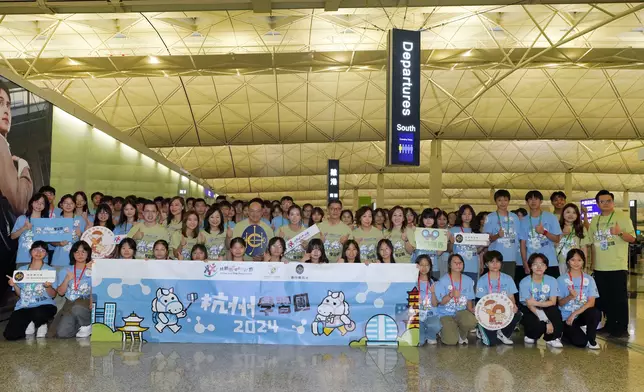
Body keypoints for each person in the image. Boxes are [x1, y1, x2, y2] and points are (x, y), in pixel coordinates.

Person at [587, 190, 634, 339]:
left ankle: (622, 328)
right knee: (605, 299)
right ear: (598, 204)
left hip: (617, 265)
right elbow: (591, 243)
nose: (605, 204)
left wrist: (620, 233)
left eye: (608, 201)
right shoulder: (595, 221)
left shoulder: (622, 217)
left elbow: (632, 238)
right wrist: (591, 264)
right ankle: (609, 325)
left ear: (613, 202)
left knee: (619, 299)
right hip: (600, 266)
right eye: (602, 201)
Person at [3, 241, 57, 340]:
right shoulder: (21, 270)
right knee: (10, 335)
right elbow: (20, 294)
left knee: (39, 313)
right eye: (35, 249)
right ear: (30, 252)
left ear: (46, 254)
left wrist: (48, 286)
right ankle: (30, 321)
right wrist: (14, 285)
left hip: (44, 305)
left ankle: (41, 323)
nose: (38, 252)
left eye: (42, 250)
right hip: (25, 305)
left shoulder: (50, 271)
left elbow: (53, 295)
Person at [475, 250, 521, 346]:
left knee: (517, 313)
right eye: (492, 262)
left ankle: (502, 333)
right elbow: (480, 302)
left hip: (501, 311)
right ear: (487, 264)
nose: (495, 264)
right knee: (491, 343)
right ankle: (481, 328)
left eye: (497, 262)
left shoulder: (507, 279)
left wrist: (514, 305)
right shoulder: (482, 280)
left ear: (501, 263)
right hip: (488, 313)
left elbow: (511, 296)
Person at [557, 249, 601, 349]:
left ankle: (591, 340)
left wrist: (575, 313)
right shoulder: (561, 279)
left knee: (595, 312)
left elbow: (591, 302)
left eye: (579, 260)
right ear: (568, 261)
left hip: (580, 315)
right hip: (566, 318)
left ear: (583, 262)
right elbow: (560, 303)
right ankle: (566, 333)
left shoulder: (589, 279)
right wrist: (570, 297)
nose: (576, 263)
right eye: (573, 260)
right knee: (580, 342)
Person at [519, 253, 564, 348]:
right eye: (535, 264)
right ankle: (531, 335)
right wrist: (547, 321)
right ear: (530, 266)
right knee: (536, 323)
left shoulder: (552, 280)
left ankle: (552, 338)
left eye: (542, 264)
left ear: (546, 267)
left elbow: (553, 302)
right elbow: (530, 305)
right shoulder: (524, 282)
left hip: (545, 305)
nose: (539, 267)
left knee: (554, 311)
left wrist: (536, 303)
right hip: (530, 309)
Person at [434, 254, 477, 345]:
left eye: (460, 262)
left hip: (460, 311)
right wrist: (450, 295)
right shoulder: (442, 281)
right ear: (450, 265)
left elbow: (469, 299)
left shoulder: (468, 280)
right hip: (445, 313)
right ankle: (444, 330)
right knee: (451, 341)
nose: (458, 264)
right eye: (455, 262)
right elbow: (440, 302)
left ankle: (462, 335)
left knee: (471, 321)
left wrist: (471, 310)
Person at [519, 191, 562, 281]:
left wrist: (544, 232)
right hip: (532, 263)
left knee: (552, 290)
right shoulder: (523, 221)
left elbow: (557, 239)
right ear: (527, 202)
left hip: (550, 262)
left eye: (536, 199)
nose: (533, 201)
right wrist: (525, 263)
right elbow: (523, 244)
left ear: (541, 201)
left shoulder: (551, 217)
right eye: (530, 199)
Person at [54, 240, 93, 338]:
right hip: (69, 304)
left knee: (78, 308)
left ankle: (87, 324)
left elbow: (96, 288)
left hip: (86, 301)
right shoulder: (66, 270)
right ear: (73, 254)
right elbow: (61, 292)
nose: (80, 254)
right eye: (77, 252)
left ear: (88, 254)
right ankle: (81, 325)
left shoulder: (93, 269)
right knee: (62, 333)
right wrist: (67, 279)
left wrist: (92, 302)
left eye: (83, 251)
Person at [484, 190, 521, 279]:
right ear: (495, 201)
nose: (502, 203)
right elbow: (486, 239)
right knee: (494, 283)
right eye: (499, 200)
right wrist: (497, 235)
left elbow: (519, 237)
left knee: (508, 283)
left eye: (505, 200)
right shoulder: (490, 217)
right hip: (495, 258)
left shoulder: (515, 217)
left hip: (511, 256)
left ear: (508, 201)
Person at [10, 192, 49, 263]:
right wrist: (24, 228)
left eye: (42, 203)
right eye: (37, 202)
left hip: (42, 259)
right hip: (23, 258)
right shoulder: (22, 218)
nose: (39, 205)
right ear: (31, 203)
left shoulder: (47, 222)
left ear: (45, 206)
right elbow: (12, 236)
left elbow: (51, 239)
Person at [51, 194, 86, 267]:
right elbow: (51, 241)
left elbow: (86, 241)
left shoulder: (81, 220)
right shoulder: (56, 221)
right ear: (61, 205)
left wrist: (80, 235)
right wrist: (59, 243)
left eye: (71, 203)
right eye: (66, 203)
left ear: (75, 205)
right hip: (59, 260)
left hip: (77, 260)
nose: (68, 205)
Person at [449, 204, 480, 280]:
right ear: (460, 215)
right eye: (464, 214)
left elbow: (476, 250)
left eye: (469, 214)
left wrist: (484, 245)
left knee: (471, 290)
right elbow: (449, 250)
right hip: (457, 267)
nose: (467, 216)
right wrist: (452, 242)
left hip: (473, 266)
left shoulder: (476, 231)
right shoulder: (453, 230)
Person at [556, 203, 589, 275]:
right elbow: (554, 244)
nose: (571, 215)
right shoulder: (557, 227)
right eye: (568, 212)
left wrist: (584, 265)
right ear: (563, 214)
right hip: (561, 261)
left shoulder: (581, 228)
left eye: (574, 212)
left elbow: (584, 248)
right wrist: (562, 234)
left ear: (577, 215)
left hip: (576, 263)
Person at [416, 255, 440, 345]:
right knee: (420, 342)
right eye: (421, 265)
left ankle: (431, 335)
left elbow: (435, 304)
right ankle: (423, 332)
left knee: (436, 325)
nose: (424, 268)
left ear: (430, 267)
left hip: (431, 314)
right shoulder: (413, 282)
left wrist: (433, 293)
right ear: (417, 266)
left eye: (427, 265)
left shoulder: (435, 283)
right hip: (417, 315)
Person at [411, 208, 441, 279]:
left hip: (434, 268)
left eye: (431, 218)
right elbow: (412, 249)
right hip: (418, 267)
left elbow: (438, 253)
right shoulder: (416, 231)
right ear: (422, 219)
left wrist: (446, 238)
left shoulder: (439, 233)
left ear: (434, 219)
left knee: (433, 288)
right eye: (425, 218)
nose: (428, 220)